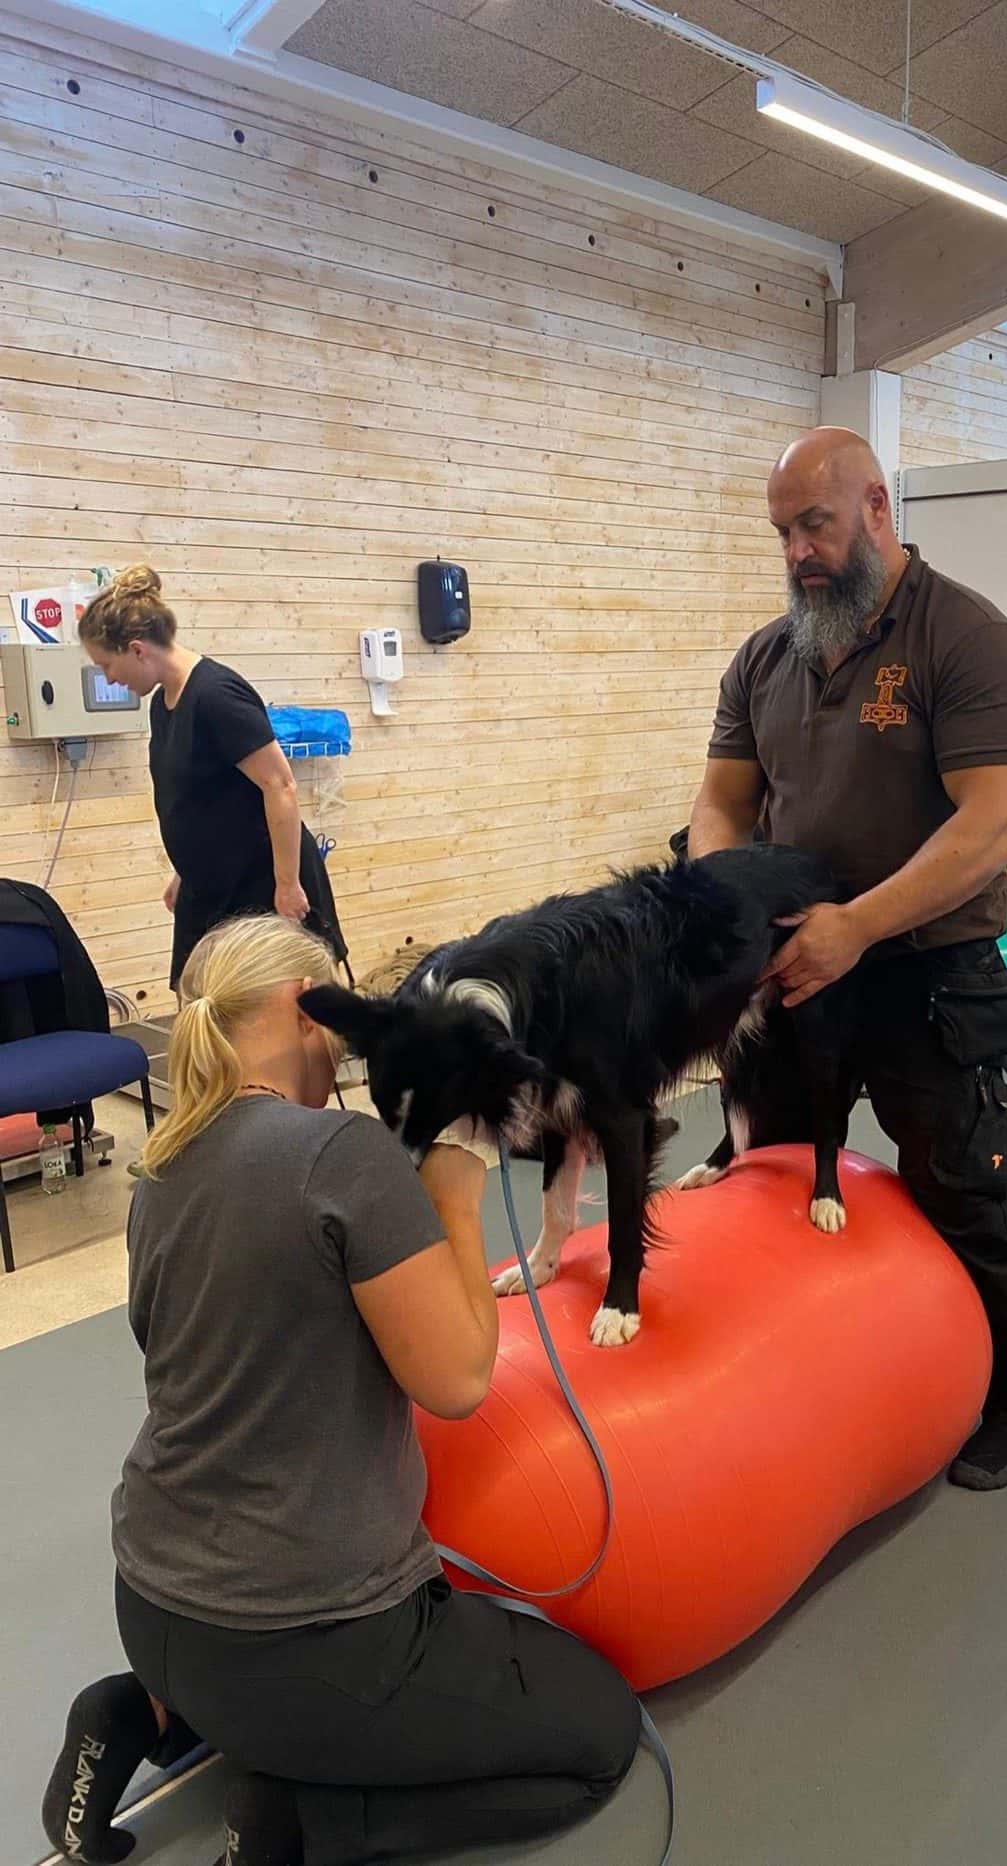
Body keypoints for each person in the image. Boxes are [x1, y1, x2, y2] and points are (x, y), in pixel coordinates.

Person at [41, 915, 640, 1866]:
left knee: (258, 1686)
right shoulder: (341, 1155)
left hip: (150, 1602)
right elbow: (457, 1380)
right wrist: (456, 1176)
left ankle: (142, 1714)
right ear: (298, 1006)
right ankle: (306, 1821)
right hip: (304, 1645)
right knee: (600, 1740)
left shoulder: (161, 1166)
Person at [688, 426, 1007, 1492]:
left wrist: (857, 925)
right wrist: (726, 905)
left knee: (958, 1192)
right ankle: (806, 1383)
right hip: (792, 969)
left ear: (877, 508)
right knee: (769, 1180)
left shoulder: (966, 640)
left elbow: (990, 826)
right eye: (782, 532)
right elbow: (720, 803)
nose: (799, 550)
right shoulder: (764, 657)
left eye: (816, 523)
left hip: (923, 972)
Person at [79, 566, 347, 992]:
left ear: (137, 650)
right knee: (199, 999)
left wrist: (286, 883)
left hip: (260, 880)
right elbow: (196, 798)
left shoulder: (216, 696)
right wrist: (185, 870)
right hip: (210, 883)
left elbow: (280, 785)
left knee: (261, 1009)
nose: (110, 678)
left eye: (107, 665)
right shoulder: (163, 704)